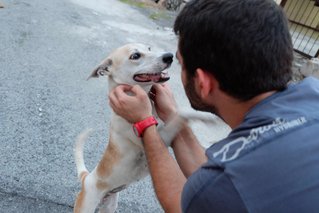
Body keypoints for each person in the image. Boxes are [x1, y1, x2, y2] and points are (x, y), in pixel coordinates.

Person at [109, 0, 319, 212]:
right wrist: (172, 115)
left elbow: (184, 204)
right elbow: (221, 180)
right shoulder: (314, 91)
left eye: (181, 64)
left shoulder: (218, 186)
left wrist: (145, 123)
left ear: (203, 83)